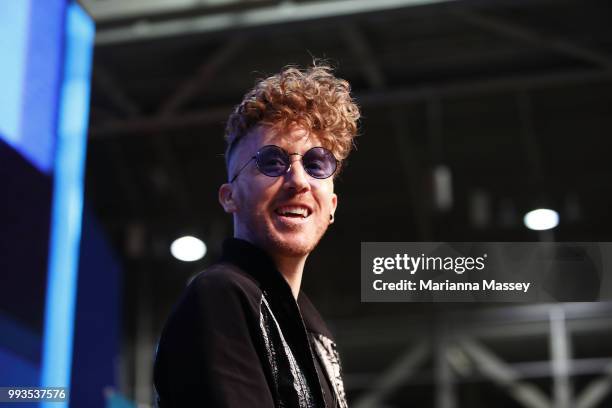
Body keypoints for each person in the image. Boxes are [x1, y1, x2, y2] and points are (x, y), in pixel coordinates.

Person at [153, 63, 360, 408]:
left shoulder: (314, 330)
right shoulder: (221, 294)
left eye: (317, 164)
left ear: (332, 204)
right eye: (272, 161)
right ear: (229, 196)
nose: (298, 181)